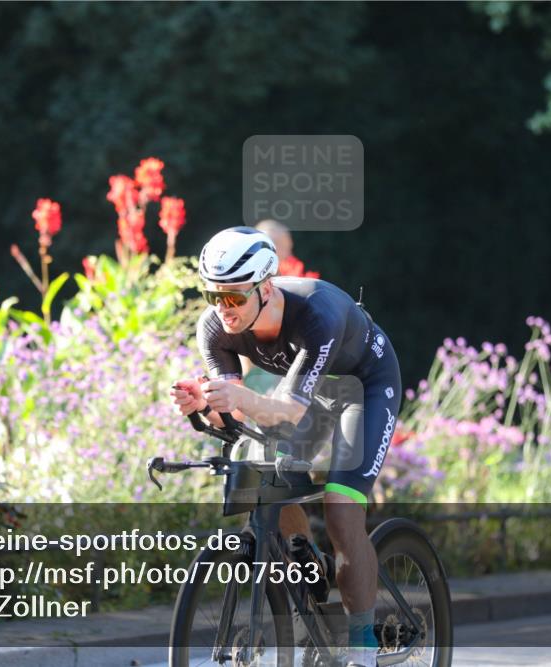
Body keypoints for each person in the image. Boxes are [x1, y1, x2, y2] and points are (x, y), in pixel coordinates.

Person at [169, 226, 401, 667]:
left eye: (234, 297)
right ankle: (307, 567)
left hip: (364, 386)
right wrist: (207, 405)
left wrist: (241, 400)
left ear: (266, 287)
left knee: (341, 505)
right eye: (213, 296)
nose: (224, 309)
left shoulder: (318, 313)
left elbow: (290, 411)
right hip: (307, 393)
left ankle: (363, 644)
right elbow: (239, 410)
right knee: (264, 472)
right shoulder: (215, 328)